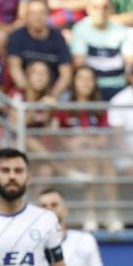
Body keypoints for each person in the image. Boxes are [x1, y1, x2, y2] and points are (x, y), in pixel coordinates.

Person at [55, 66, 120, 231]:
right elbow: (61, 140)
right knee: (95, 158)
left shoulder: (100, 107)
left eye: (89, 79)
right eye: (81, 78)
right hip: (69, 160)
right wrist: (85, 142)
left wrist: (82, 140)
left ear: (94, 83)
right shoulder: (64, 106)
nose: (85, 82)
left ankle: (111, 215)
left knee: (107, 164)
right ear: (74, 81)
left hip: (94, 157)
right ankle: (90, 214)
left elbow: (103, 140)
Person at [71, 0, 133, 100]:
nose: (101, 11)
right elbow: (78, 63)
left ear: (111, 9)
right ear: (88, 9)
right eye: (95, 7)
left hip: (118, 86)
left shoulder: (120, 29)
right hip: (91, 88)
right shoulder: (80, 28)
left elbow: (131, 59)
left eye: (105, 7)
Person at [8, 0, 74, 98]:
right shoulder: (17, 36)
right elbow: (15, 68)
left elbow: (66, 74)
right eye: (33, 13)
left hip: (53, 92)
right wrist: (29, 95)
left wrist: (52, 97)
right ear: (27, 16)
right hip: (25, 91)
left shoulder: (58, 38)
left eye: (41, 13)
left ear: (48, 15)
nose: (37, 17)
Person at [27, 0, 93, 32]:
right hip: (51, 26)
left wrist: (59, 4)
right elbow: (37, 4)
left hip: (77, 23)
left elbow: (87, 1)